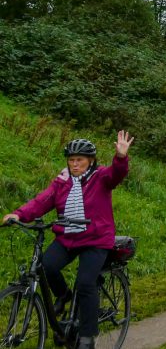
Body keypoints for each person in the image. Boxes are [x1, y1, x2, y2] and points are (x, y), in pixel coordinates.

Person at [3, 132, 133, 349]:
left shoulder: (100, 176)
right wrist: (18, 214)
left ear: (90, 161)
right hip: (68, 237)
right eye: (71, 160)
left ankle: (87, 336)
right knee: (46, 266)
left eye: (79, 160)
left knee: (85, 283)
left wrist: (120, 157)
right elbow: (42, 201)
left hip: (95, 240)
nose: (74, 164)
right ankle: (63, 295)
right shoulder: (62, 181)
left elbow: (116, 175)